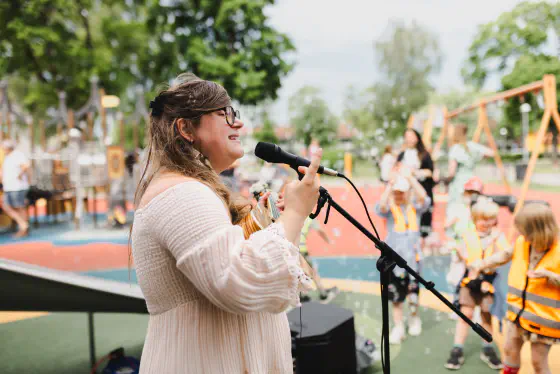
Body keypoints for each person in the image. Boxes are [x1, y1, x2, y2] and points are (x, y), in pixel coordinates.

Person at [130, 73, 320, 373]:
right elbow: (237, 280)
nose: (238, 123)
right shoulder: (183, 193)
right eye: (225, 113)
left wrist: (267, 220)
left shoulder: (191, 189)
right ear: (186, 128)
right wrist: (296, 213)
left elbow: (222, 255)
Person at [470, 203, 560, 374]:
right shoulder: (522, 242)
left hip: (542, 319)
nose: (522, 236)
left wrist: (550, 276)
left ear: (539, 230)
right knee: (510, 351)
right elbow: (504, 255)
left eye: (526, 231)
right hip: (517, 314)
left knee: (538, 361)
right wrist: (481, 264)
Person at [444, 197, 506, 370]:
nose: (486, 223)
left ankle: (487, 347)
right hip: (470, 281)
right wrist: (457, 251)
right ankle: (458, 348)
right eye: (481, 219)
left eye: (490, 219)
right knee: (466, 314)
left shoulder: (498, 237)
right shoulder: (467, 235)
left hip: (489, 283)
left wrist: (494, 241)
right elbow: (465, 257)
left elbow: (505, 255)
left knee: (486, 315)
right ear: (474, 219)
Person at [375, 168, 431, 344]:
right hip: (394, 262)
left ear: (408, 192)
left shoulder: (415, 207)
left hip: (414, 260)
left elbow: (425, 199)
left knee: (413, 293)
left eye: (402, 192)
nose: (399, 195)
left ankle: (414, 318)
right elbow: (380, 206)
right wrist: (390, 186)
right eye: (397, 193)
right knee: (396, 296)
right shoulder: (390, 209)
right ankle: (398, 326)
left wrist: (411, 180)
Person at [445, 176, 484, 319]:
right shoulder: (458, 209)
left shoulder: (481, 210)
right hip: (460, 246)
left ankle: (476, 308)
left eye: (475, 193)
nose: (472, 196)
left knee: (475, 277)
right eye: (469, 192)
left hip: (475, 248)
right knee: (456, 278)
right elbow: (448, 227)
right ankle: (456, 306)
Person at [443, 124, 494, 218]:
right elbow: (491, 153)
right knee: (470, 208)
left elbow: (451, 172)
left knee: (457, 209)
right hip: (472, 181)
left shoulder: (455, 149)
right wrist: (480, 157)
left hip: (458, 184)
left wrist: (444, 181)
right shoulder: (473, 146)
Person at [396, 129, 435, 242]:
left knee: (423, 222)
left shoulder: (424, 154)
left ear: (417, 138)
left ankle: (421, 247)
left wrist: (415, 172)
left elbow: (430, 172)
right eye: (407, 136)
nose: (409, 139)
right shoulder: (402, 155)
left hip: (421, 192)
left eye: (411, 136)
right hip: (406, 195)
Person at [299, 217, 339, 303]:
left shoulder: (296, 214)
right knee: (313, 272)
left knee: (300, 273)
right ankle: (323, 294)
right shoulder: (309, 218)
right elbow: (320, 231)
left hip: (293, 249)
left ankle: (302, 294)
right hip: (302, 250)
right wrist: (329, 241)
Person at [0, 139, 30, 238]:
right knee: (6, 205)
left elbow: (25, 166)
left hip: (17, 187)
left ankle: (23, 228)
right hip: (9, 187)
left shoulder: (17, 155)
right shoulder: (8, 157)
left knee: (19, 207)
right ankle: (23, 225)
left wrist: (19, 175)